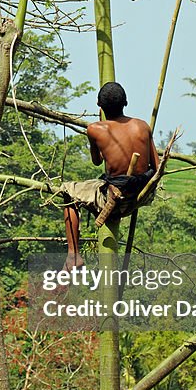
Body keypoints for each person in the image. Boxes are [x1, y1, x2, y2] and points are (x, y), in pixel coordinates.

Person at [62, 82, 159, 268]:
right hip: (142, 193)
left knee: (68, 191)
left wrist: (101, 124)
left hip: (115, 198)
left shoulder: (95, 129)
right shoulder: (142, 126)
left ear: (99, 105)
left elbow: (97, 161)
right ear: (126, 103)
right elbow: (156, 166)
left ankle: (73, 256)